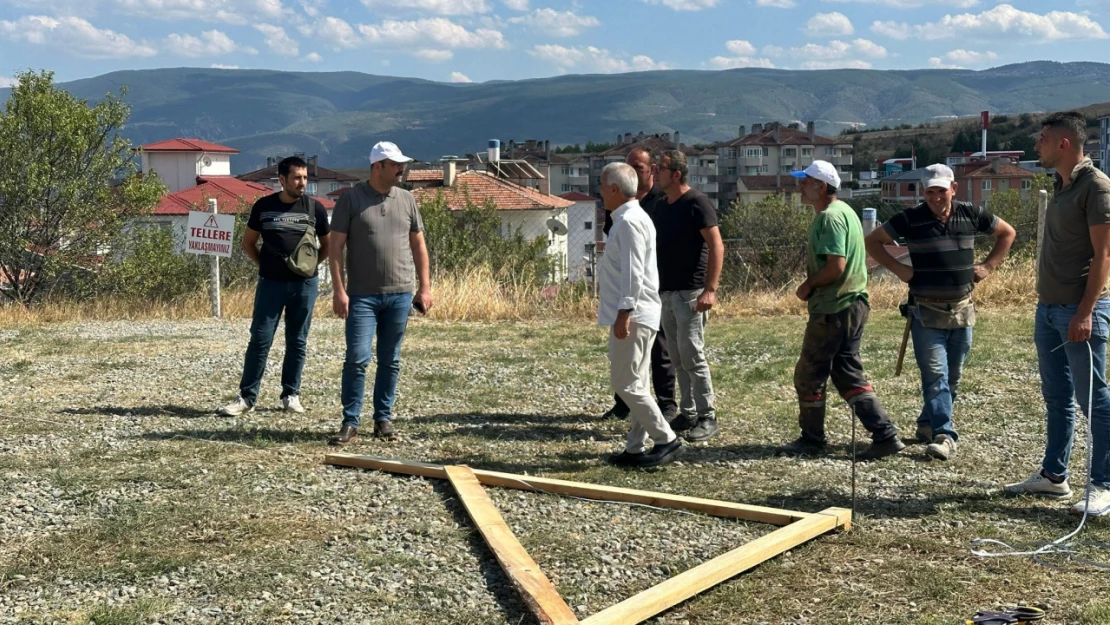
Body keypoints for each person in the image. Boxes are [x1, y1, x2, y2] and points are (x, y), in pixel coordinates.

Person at [866, 163, 1016, 461]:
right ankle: (944, 434)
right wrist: (899, 269)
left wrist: (988, 266)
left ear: (953, 189)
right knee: (935, 375)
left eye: (941, 191)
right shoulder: (911, 218)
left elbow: (1007, 233)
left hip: (962, 308)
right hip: (925, 311)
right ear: (924, 192)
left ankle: (927, 423)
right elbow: (873, 240)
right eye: (930, 192)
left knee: (953, 375)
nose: (936, 197)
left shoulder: (971, 213)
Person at [1004, 112, 1110, 516]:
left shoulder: (1096, 187)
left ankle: (1103, 483)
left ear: (1064, 144)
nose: (1037, 145)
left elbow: (1104, 256)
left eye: (1043, 139)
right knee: (1057, 397)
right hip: (1048, 308)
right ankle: (1054, 476)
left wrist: (1084, 313)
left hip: (1078, 310)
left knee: (1094, 399)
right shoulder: (1063, 184)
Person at [777, 160, 903, 460]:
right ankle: (884, 434)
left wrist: (808, 285)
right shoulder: (846, 211)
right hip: (853, 304)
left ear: (821, 187)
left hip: (835, 307)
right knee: (845, 372)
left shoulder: (829, 218)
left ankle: (812, 439)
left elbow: (836, 266)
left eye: (805, 182)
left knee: (809, 373)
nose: (800, 187)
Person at [327, 141, 432, 446]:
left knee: (391, 360)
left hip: (400, 294)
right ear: (377, 167)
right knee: (358, 359)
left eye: (403, 163)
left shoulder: (407, 199)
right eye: (396, 164)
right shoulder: (351, 200)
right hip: (361, 296)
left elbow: (418, 246)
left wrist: (424, 288)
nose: (402, 169)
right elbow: (335, 248)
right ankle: (350, 422)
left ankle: (382, 419)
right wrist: (339, 290)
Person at [219, 156, 330, 417]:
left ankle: (291, 394)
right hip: (270, 285)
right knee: (260, 339)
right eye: (297, 178)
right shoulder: (263, 207)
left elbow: (328, 245)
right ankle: (247, 398)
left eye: (305, 177)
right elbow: (248, 243)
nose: (302, 183)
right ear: (282, 179)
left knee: (297, 340)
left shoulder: (315, 209)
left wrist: (309, 268)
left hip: (304, 286)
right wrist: (264, 267)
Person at [597, 162, 683, 468]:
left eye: (603, 186)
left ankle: (666, 439)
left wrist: (625, 311)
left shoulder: (629, 222)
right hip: (639, 312)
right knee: (637, 382)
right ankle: (635, 446)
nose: (600, 192)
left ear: (615, 190)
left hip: (634, 314)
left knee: (626, 383)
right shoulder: (630, 218)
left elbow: (633, 273)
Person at [654, 150, 724, 442]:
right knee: (678, 356)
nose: (656, 172)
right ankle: (689, 411)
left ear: (676, 175)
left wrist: (710, 289)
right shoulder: (661, 205)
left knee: (693, 355)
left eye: (661, 168)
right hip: (667, 293)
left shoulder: (697, 203)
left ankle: (708, 416)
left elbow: (717, 246)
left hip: (690, 292)